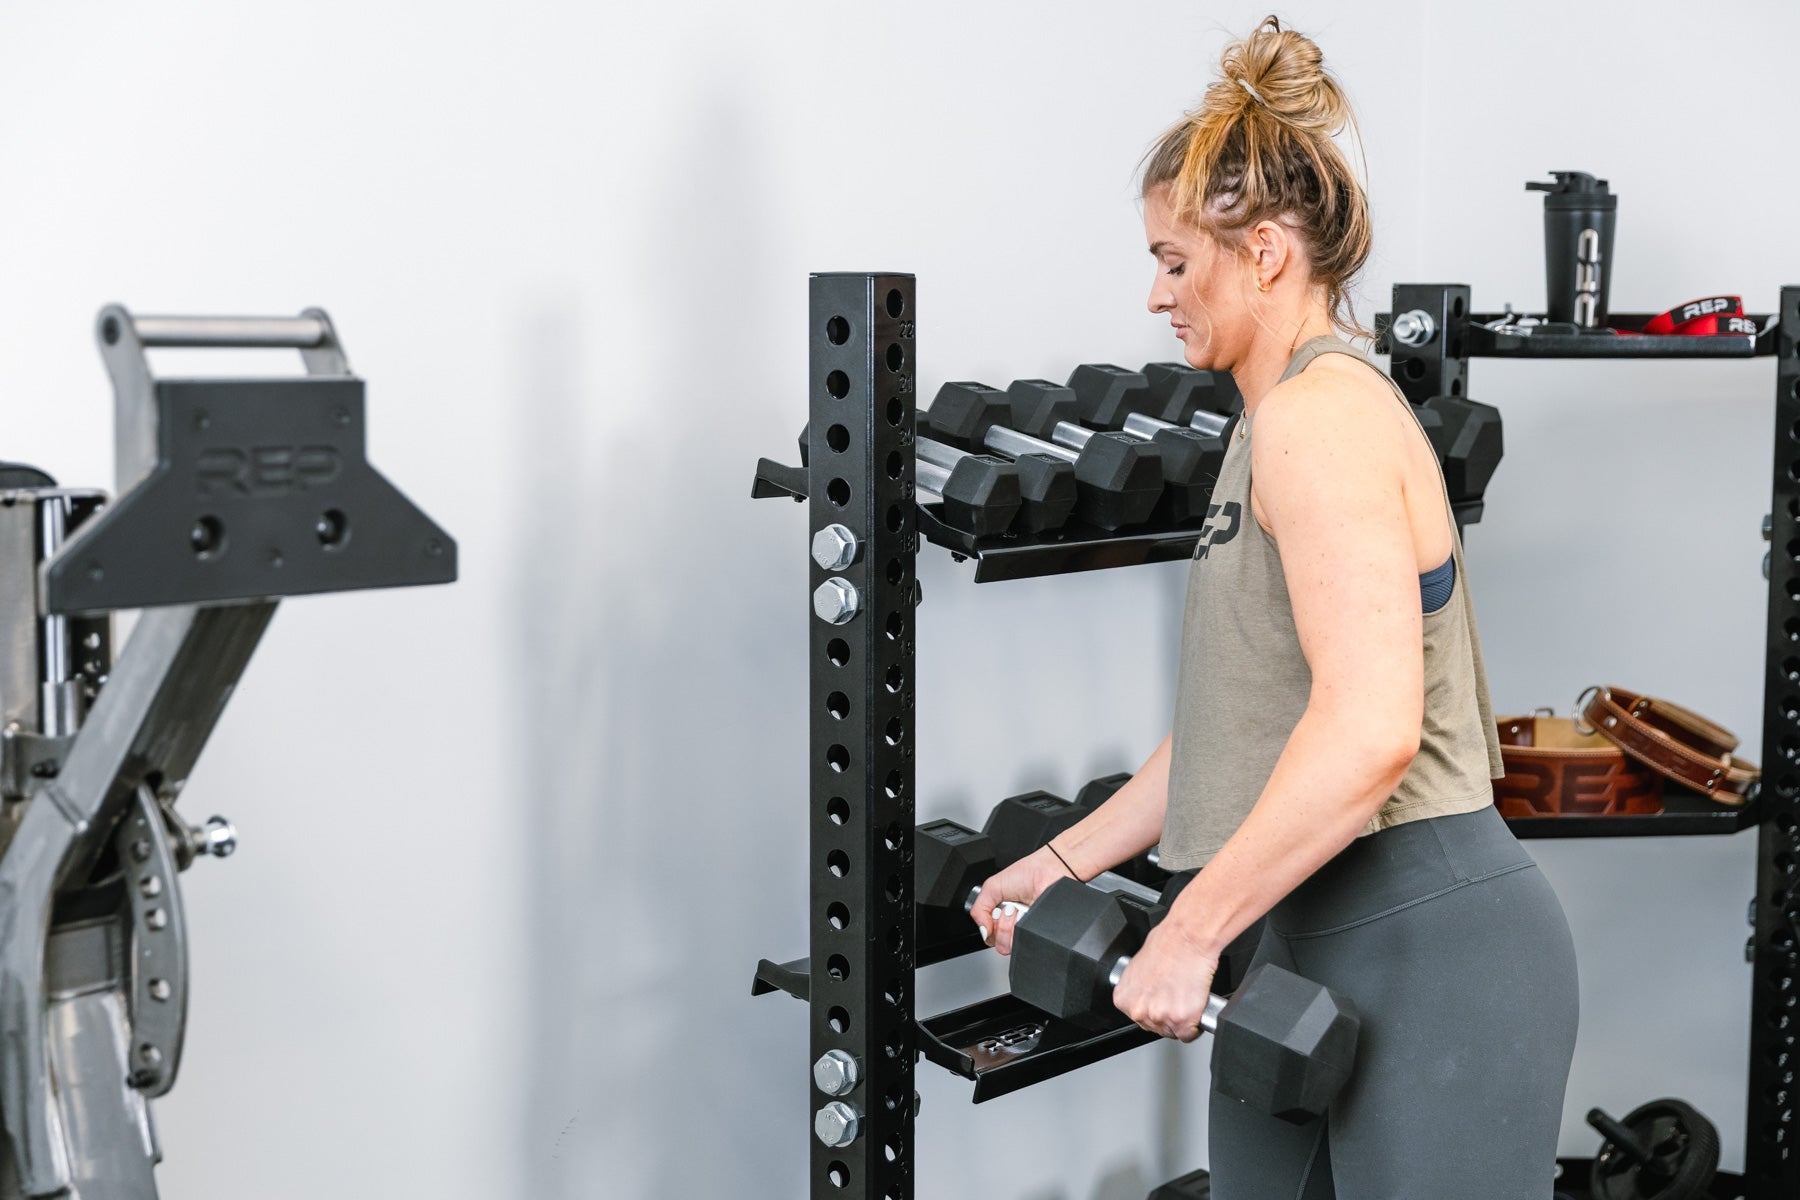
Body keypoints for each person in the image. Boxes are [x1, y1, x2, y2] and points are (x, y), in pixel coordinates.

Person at [969, 16, 1579, 1198]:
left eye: (1175, 261)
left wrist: (1190, 929)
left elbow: (1369, 731)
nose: (1156, 293)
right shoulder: (1267, 426)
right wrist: (1059, 861)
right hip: (1303, 944)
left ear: (1263, 252)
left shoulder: (1320, 419)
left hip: (1432, 947)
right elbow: (1234, 732)